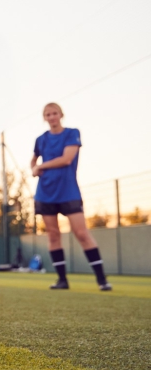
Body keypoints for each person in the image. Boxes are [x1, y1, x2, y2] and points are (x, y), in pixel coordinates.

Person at [31, 103, 111, 291]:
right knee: (53, 235)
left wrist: (41, 167)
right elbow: (33, 159)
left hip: (68, 192)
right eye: (48, 114)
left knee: (82, 233)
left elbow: (66, 159)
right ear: (44, 118)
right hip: (45, 193)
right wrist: (33, 168)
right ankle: (62, 281)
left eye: (54, 113)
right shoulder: (40, 139)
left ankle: (102, 280)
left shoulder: (72, 133)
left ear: (61, 115)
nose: (51, 117)